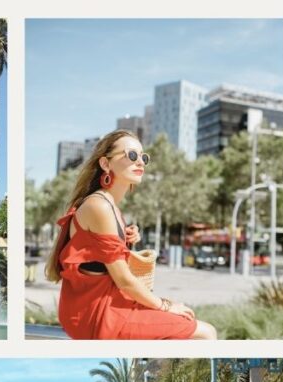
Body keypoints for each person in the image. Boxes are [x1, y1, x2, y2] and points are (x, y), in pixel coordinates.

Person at [45, 129, 217, 340]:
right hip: (97, 313)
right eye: (132, 155)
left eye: (144, 157)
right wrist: (165, 305)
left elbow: (95, 255)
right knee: (205, 333)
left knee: (190, 326)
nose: (141, 162)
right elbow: (124, 280)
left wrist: (123, 239)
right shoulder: (100, 206)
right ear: (105, 164)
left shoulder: (110, 206)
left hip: (107, 304)